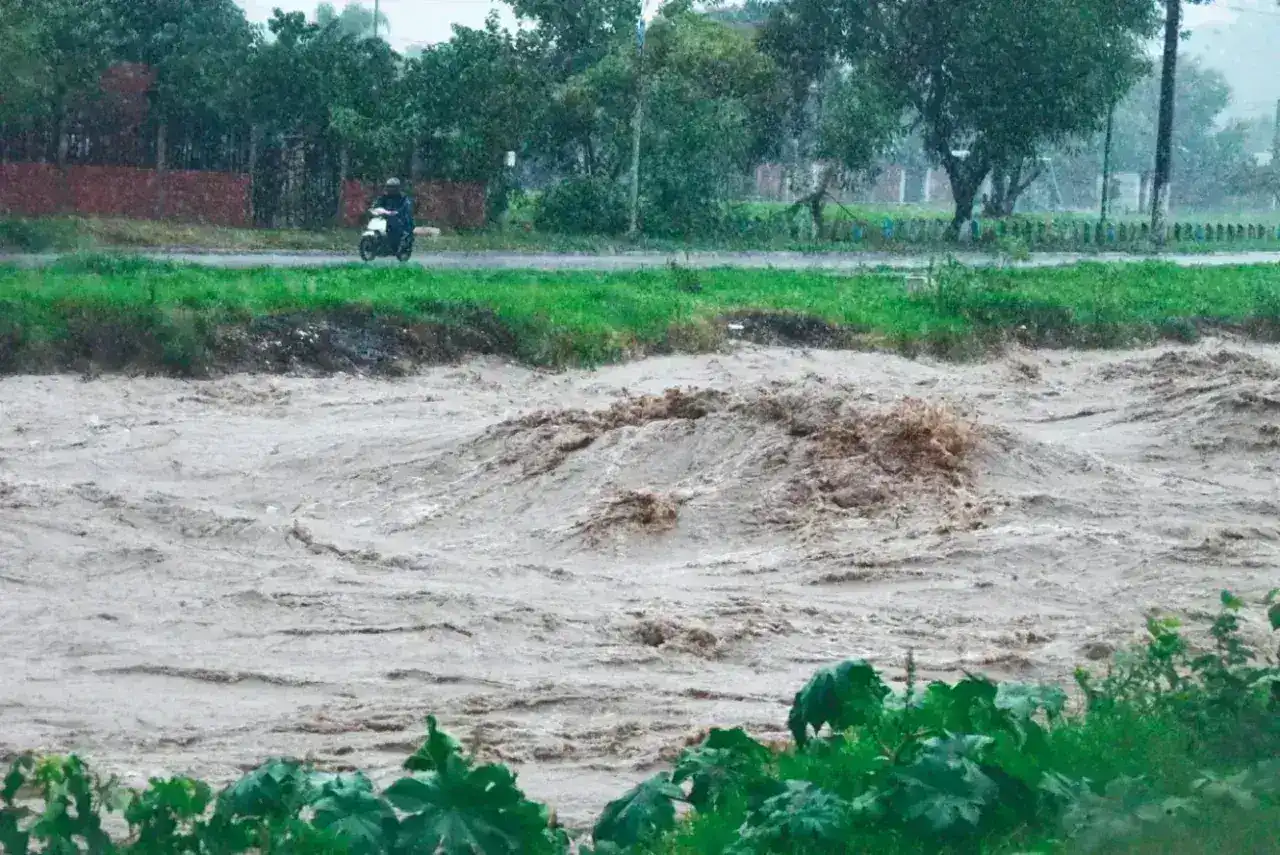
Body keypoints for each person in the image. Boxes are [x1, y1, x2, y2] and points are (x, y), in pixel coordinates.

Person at [372, 178, 414, 251]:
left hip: (401, 218)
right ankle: (378, 242)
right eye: (388, 186)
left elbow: (406, 206)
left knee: (397, 227)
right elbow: (377, 204)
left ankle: (401, 243)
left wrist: (398, 212)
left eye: (392, 187)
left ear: (397, 188)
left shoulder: (403, 197)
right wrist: (373, 209)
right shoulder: (384, 196)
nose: (390, 189)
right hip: (386, 217)